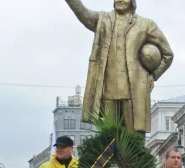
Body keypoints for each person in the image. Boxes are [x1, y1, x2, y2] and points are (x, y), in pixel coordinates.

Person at [64, 0, 173, 135]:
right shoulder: (103, 20)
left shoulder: (146, 25)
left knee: (134, 136)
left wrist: (154, 75)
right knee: (109, 136)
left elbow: (168, 54)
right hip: (108, 91)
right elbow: (83, 14)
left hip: (134, 91)